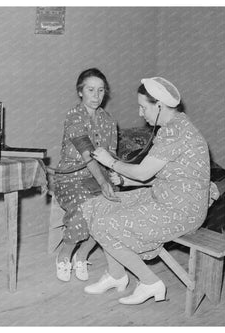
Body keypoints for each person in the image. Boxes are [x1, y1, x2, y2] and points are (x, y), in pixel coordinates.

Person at [81, 76, 213, 304]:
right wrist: (127, 181)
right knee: (96, 207)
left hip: (182, 210)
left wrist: (110, 162)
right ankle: (116, 276)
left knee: (106, 225)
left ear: (159, 106)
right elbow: (166, 174)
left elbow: (143, 172)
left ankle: (150, 282)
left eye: (143, 107)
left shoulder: (176, 131)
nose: (141, 113)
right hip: (163, 195)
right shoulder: (172, 125)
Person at [54, 68, 119, 282]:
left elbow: (111, 156)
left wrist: (114, 179)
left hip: (98, 177)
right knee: (85, 205)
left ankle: (81, 256)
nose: (96, 95)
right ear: (80, 92)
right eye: (90, 90)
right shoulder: (74, 116)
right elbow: (87, 153)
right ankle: (64, 255)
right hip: (70, 177)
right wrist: (102, 182)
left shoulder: (108, 121)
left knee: (112, 206)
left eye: (100, 90)